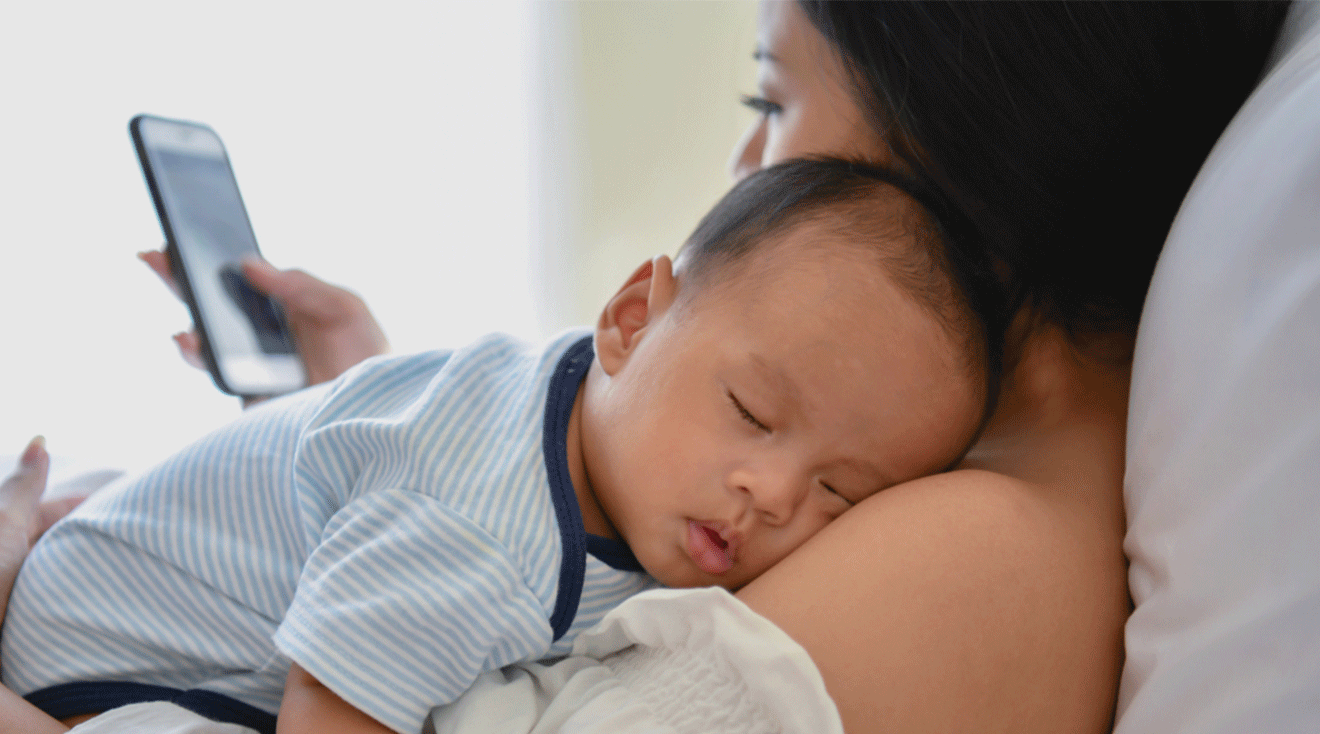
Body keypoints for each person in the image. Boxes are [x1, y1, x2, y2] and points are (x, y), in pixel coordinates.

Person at [0, 2, 1290, 733]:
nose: (747, 173)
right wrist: (368, 432)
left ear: (959, 119)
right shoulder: (977, 494)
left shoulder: (973, 564)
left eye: (769, 103)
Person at [2, 159, 996, 734]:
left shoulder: (599, 423)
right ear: (631, 318)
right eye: (750, 408)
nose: (771, 492)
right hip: (111, 665)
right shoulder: (479, 525)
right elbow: (330, 704)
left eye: (838, 488)